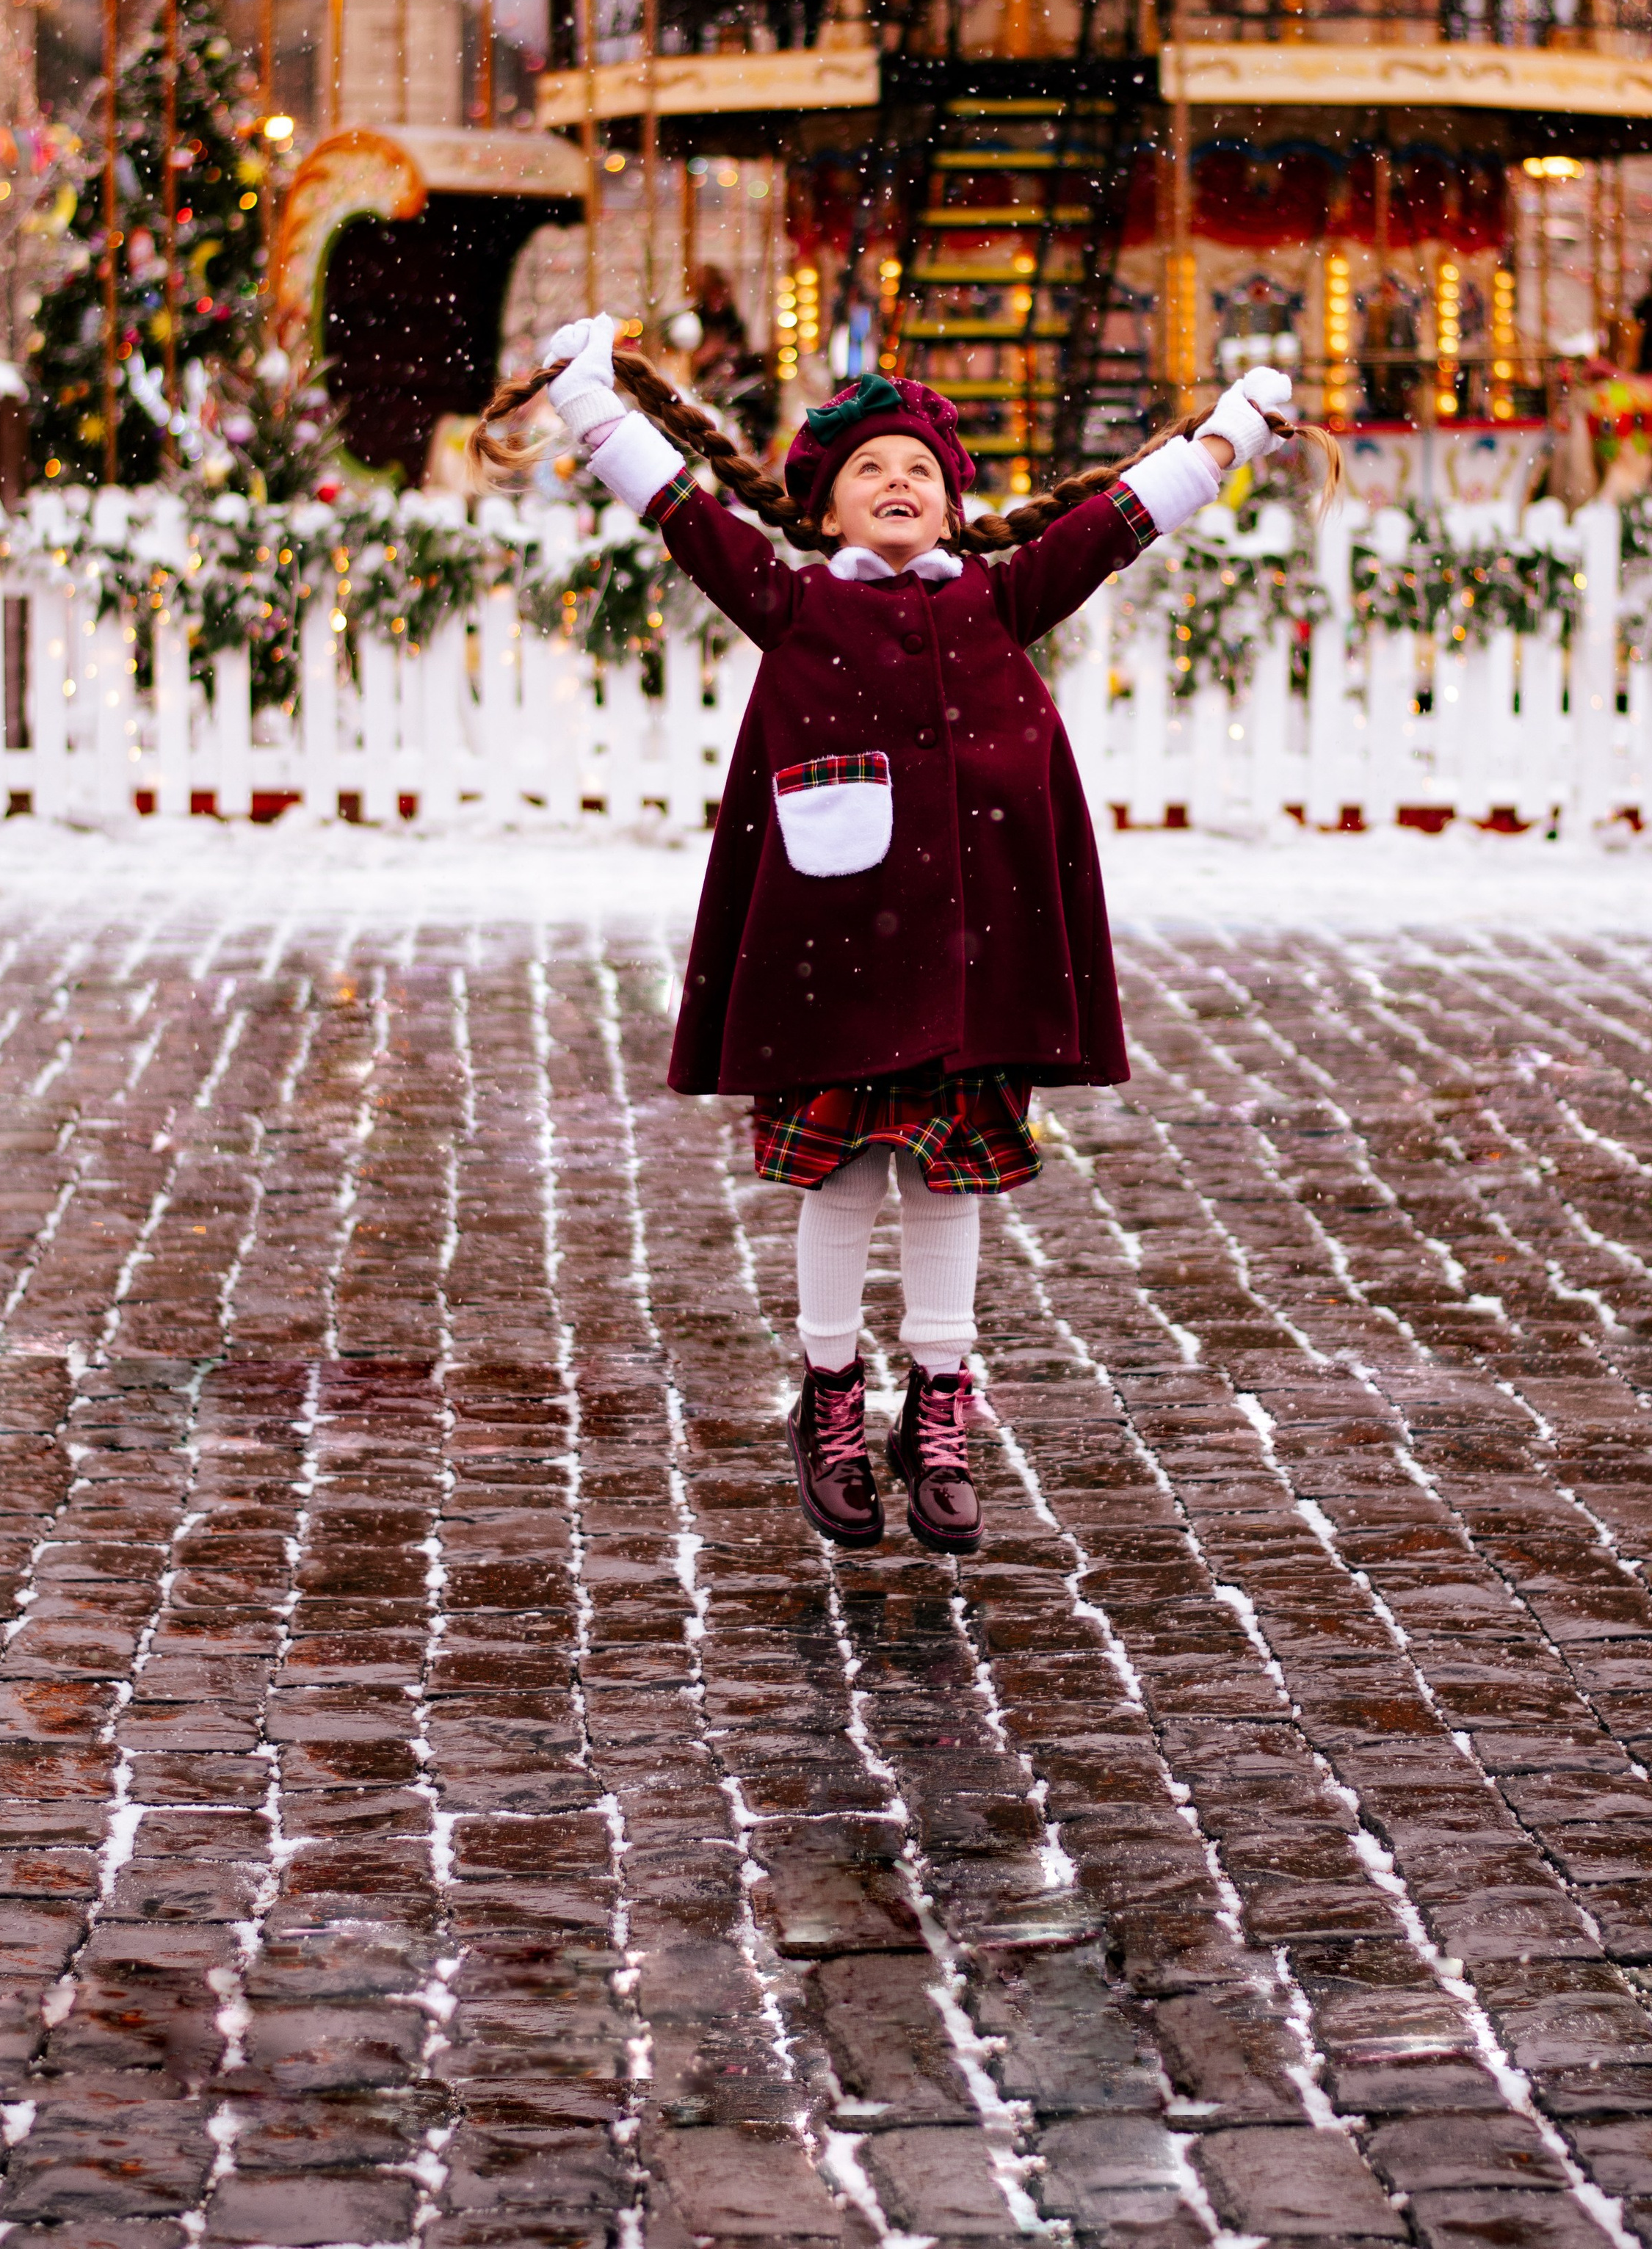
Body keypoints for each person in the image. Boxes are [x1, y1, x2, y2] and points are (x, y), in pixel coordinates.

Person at [472, 329, 1332, 1557]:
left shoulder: (1000, 596)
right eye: (872, 471)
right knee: (844, 1174)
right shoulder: (798, 604)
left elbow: (1118, 525)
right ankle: (829, 1392)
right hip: (839, 955)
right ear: (824, 509)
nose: (899, 486)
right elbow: (685, 514)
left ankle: (941, 1398)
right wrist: (590, 403)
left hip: (977, 954)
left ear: (953, 501)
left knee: (947, 1177)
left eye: (919, 472)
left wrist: (1235, 431)